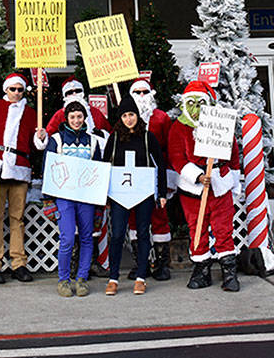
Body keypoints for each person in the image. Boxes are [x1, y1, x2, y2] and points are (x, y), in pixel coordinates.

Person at [168, 80, 241, 292]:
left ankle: (229, 272)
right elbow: (175, 157)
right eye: (191, 102)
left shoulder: (220, 124)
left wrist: (231, 180)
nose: (196, 107)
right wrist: (197, 176)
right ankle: (202, 270)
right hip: (193, 190)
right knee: (197, 229)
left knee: (224, 229)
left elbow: (234, 154)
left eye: (200, 102)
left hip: (219, 185)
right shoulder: (178, 128)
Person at [34, 100, 103, 297]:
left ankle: (81, 278)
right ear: (67, 119)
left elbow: (97, 169)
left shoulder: (93, 140)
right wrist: (48, 200)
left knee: (87, 237)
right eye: (72, 117)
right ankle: (63, 279)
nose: (76, 120)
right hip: (64, 196)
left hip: (87, 196)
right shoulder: (56, 139)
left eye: (79, 117)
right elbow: (48, 168)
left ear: (84, 118)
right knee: (66, 238)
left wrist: (99, 201)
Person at [102, 95, 167, 295]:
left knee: (142, 232)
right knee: (118, 233)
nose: (128, 119)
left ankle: (141, 277)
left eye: (131, 115)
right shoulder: (114, 139)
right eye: (124, 116)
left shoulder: (148, 137)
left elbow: (160, 165)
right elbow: (105, 166)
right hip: (120, 194)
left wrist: (162, 193)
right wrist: (103, 195)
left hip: (143, 192)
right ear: (120, 118)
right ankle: (113, 278)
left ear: (137, 116)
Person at [0, 72, 38, 284]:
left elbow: (36, 145)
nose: (16, 93)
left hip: (20, 167)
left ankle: (18, 262)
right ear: (5, 88)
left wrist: (40, 138)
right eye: (12, 88)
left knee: (17, 218)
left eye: (20, 89)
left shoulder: (33, 113)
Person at [129, 77, 177, 281]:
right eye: (137, 92)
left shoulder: (161, 118)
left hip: (156, 175)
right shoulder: (126, 118)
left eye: (144, 92)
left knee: (159, 217)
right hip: (133, 177)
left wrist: (169, 176)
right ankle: (141, 263)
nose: (141, 96)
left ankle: (162, 263)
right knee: (134, 219)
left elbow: (169, 146)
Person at [44, 78, 110, 136]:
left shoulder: (95, 112)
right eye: (70, 92)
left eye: (78, 91)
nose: (74, 94)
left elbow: (108, 132)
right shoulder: (59, 115)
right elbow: (49, 134)